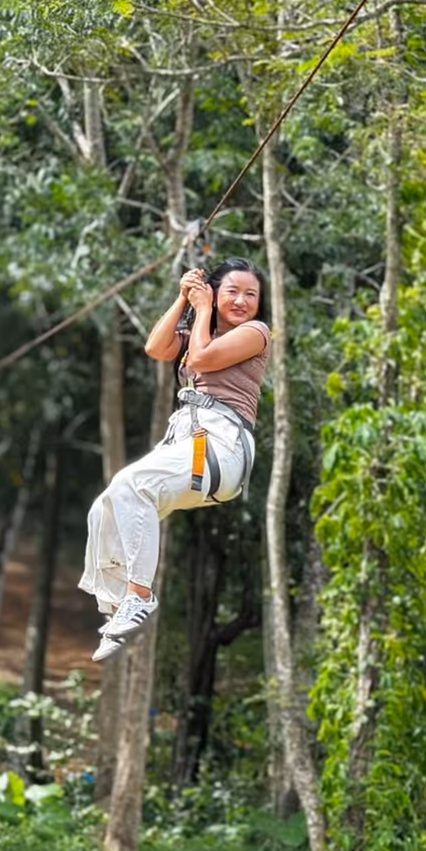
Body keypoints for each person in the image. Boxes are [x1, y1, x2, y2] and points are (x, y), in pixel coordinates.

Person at [79, 257, 270, 661]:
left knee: (135, 487)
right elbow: (156, 347)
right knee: (108, 504)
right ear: (215, 293)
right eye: (232, 292)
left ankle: (139, 596)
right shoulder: (202, 329)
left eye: (250, 294)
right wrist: (184, 297)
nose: (241, 301)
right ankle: (119, 610)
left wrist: (201, 309)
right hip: (189, 444)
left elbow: (200, 360)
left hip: (221, 446)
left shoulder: (256, 332)